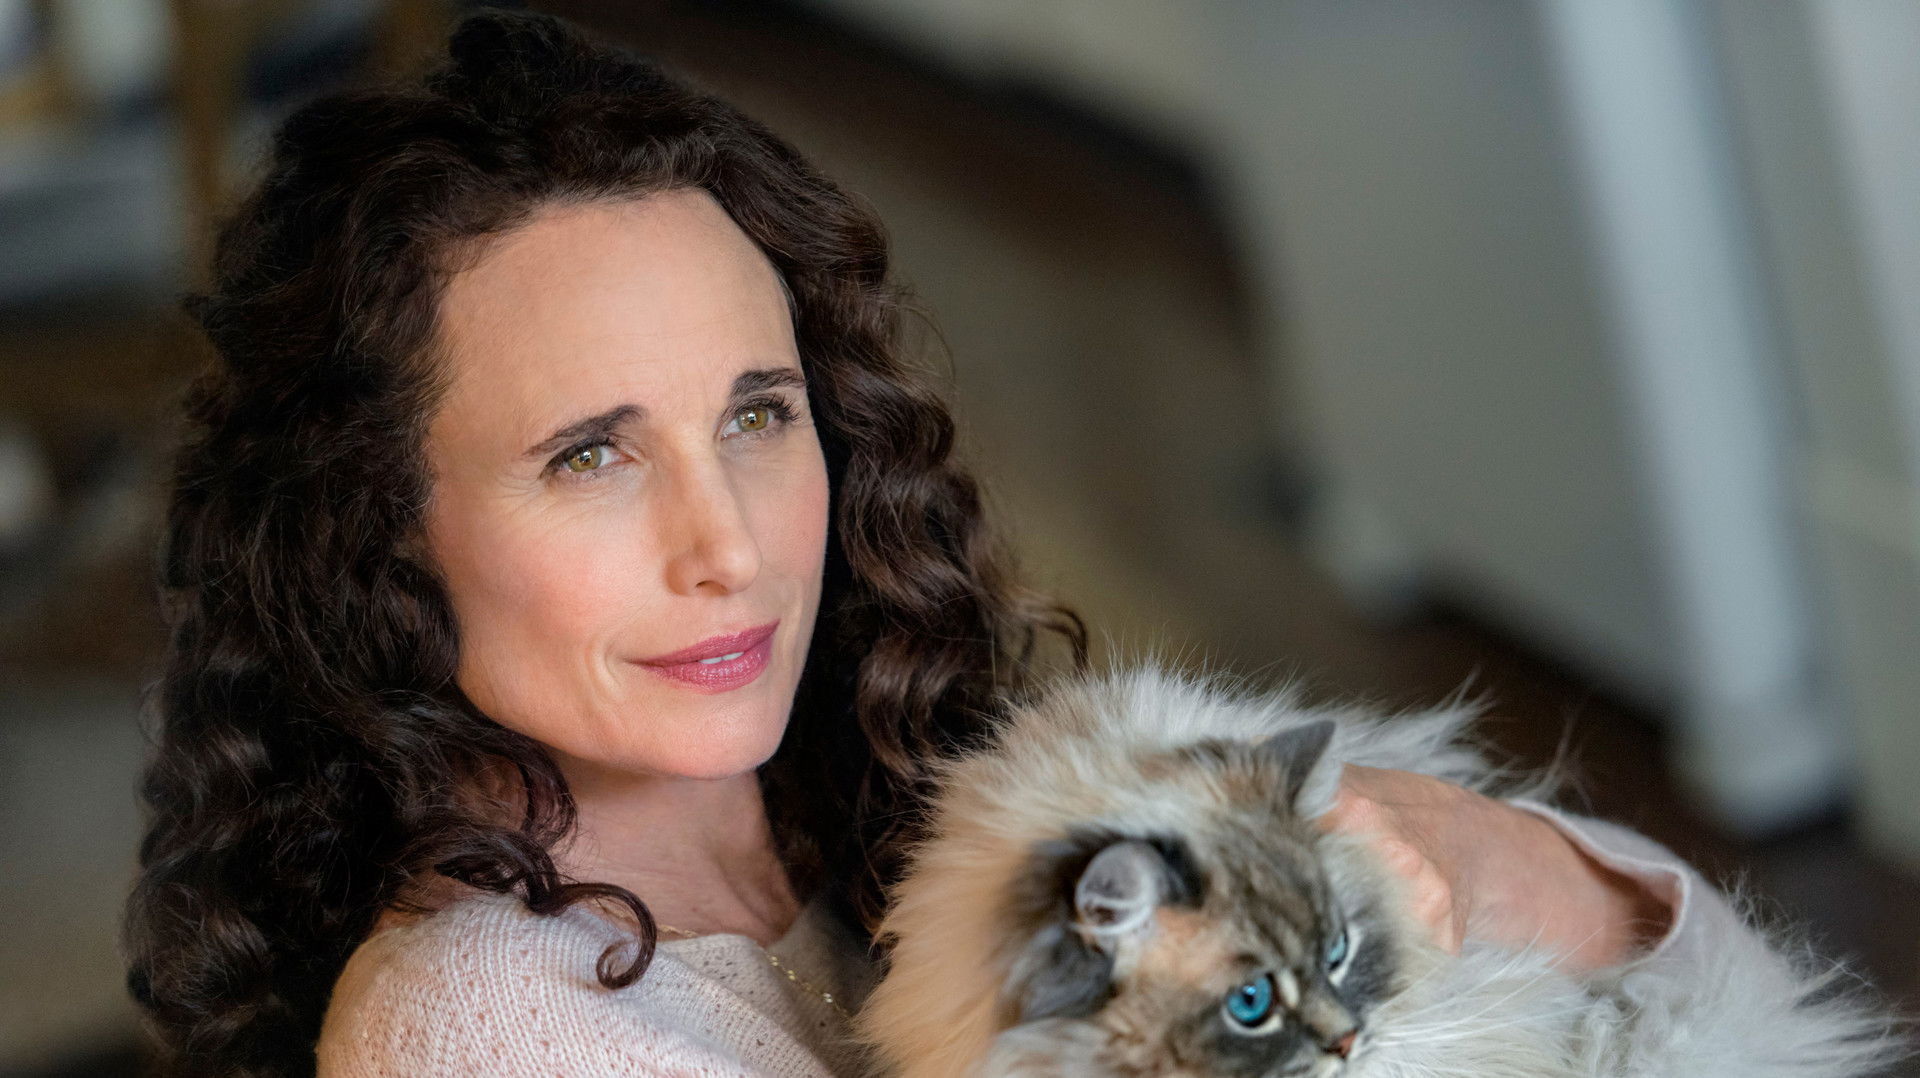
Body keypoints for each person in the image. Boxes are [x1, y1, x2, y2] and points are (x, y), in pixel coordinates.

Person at [122, 11, 1889, 1078]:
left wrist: (1467, 857)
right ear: (369, 532)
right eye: (590, 454)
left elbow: (1757, 1005)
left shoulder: (908, 789)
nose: (728, 544)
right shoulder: (488, 1036)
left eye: (758, 414)